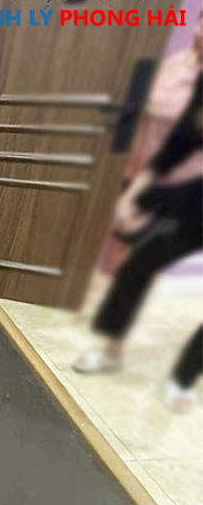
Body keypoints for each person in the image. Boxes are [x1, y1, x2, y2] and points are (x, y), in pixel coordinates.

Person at [73, 71, 202, 413]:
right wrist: (133, 195)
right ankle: (111, 350)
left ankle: (184, 378)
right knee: (136, 268)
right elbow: (177, 145)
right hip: (194, 202)